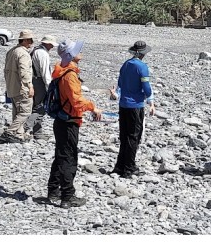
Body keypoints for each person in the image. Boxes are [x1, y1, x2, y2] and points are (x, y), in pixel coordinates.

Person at [44, 39, 103, 207]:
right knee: (68, 158)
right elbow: (76, 101)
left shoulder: (62, 71)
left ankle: (53, 191)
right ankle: (67, 196)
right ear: (71, 55)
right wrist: (93, 108)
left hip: (62, 120)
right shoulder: (70, 75)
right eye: (78, 50)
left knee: (61, 157)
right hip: (68, 121)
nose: (81, 52)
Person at [111, 40, 155, 178]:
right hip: (135, 105)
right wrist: (151, 101)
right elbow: (146, 87)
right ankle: (129, 168)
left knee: (124, 136)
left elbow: (120, 83)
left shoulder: (126, 64)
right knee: (134, 136)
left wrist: (116, 94)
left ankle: (120, 165)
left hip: (123, 104)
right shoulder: (142, 67)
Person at [1, 29, 35, 143]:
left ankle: (19, 134)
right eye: (30, 40)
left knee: (17, 111)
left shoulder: (11, 51)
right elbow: (24, 71)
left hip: (11, 87)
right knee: (25, 111)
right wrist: (29, 86)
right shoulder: (23, 54)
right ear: (24, 40)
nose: (31, 42)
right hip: (21, 87)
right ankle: (10, 131)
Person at [24, 34, 57, 140]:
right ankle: (24, 127)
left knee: (35, 107)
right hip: (40, 82)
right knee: (41, 108)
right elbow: (45, 72)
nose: (52, 47)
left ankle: (37, 132)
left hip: (33, 80)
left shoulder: (34, 50)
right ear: (47, 44)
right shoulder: (43, 54)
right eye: (51, 45)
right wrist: (50, 87)